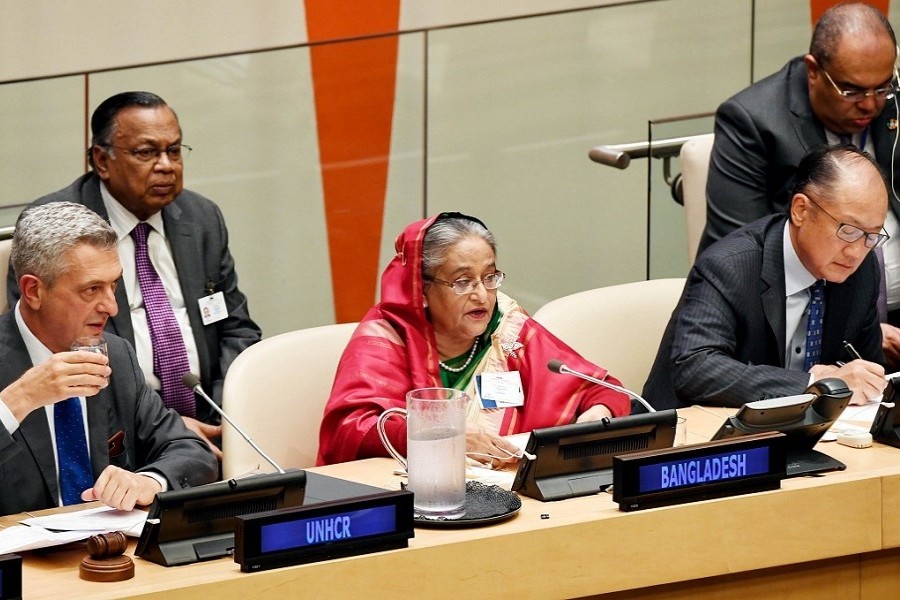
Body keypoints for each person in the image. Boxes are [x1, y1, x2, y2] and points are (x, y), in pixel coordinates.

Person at [9, 91, 261, 459]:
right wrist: (164, 424)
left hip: (213, 420)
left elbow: (236, 328)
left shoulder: (201, 217)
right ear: (102, 160)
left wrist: (225, 412)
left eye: (174, 151)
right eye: (146, 153)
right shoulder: (57, 228)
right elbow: (52, 347)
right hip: (122, 435)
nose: (166, 165)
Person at [317, 212, 631, 467]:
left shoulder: (507, 329)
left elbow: (603, 391)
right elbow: (352, 431)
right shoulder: (387, 338)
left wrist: (595, 417)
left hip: (510, 492)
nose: (482, 295)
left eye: (489, 277)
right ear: (421, 290)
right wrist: (444, 436)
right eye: (463, 281)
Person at [699, 3, 900, 366]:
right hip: (812, 325)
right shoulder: (754, 121)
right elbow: (740, 253)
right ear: (813, 71)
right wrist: (863, 327)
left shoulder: (893, 102)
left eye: (882, 87)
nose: (871, 104)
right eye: (852, 91)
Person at [0, 202, 218, 516]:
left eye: (113, 285)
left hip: (113, 542)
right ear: (33, 291)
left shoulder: (115, 354)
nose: (112, 307)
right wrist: (19, 399)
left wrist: (149, 481)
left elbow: (190, 450)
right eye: (92, 289)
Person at [644, 145, 887, 410]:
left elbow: (867, 372)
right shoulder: (729, 265)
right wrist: (814, 383)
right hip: (699, 427)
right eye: (848, 231)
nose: (856, 252)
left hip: (811, 429)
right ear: (801, 210)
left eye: (872, 235)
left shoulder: (862, 272)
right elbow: (695, 369)